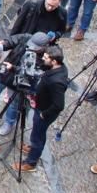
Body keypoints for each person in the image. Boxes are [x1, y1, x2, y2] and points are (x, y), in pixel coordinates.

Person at [15, 45, 68, 173]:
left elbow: (59, 105)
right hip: (41, 105)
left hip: (44, 111)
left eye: (45, 58)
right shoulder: (57, 67)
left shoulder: (57, 82)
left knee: (38, 136)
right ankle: (33, 148)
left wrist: (44, 114)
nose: (43, 59)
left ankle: (31, 162)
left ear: (54, 62)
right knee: (36, 132)